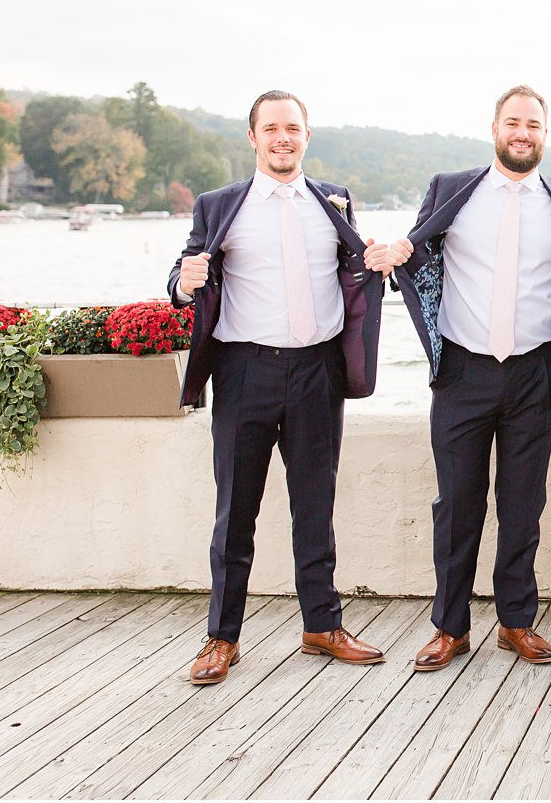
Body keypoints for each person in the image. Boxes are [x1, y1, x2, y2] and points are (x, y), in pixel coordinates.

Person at [365, 85, 551, 672]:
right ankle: (450, 627)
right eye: (514, 123)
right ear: (495, 129)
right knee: (457, 504)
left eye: (535, 125)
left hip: (536, 372)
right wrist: (394, 253)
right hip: (463, 370)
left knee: (523, 505)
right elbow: (420, 254)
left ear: (546, 134)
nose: (523, 133)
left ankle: (516, 621)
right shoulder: (453, 190)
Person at [169, 89, 387, 685]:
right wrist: (182, 282)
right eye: (271, 128)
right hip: (245, 373)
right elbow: (186, 273)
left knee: (315, 505)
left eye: (292, 127)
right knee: (236, 510)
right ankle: (222, 637)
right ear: (253, 137)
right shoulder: (221, 206)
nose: (282, 137)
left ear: (307, 136)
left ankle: (322, 624)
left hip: (318, 372)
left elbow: (356, 268)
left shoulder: (331, 200)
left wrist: (380, 261)